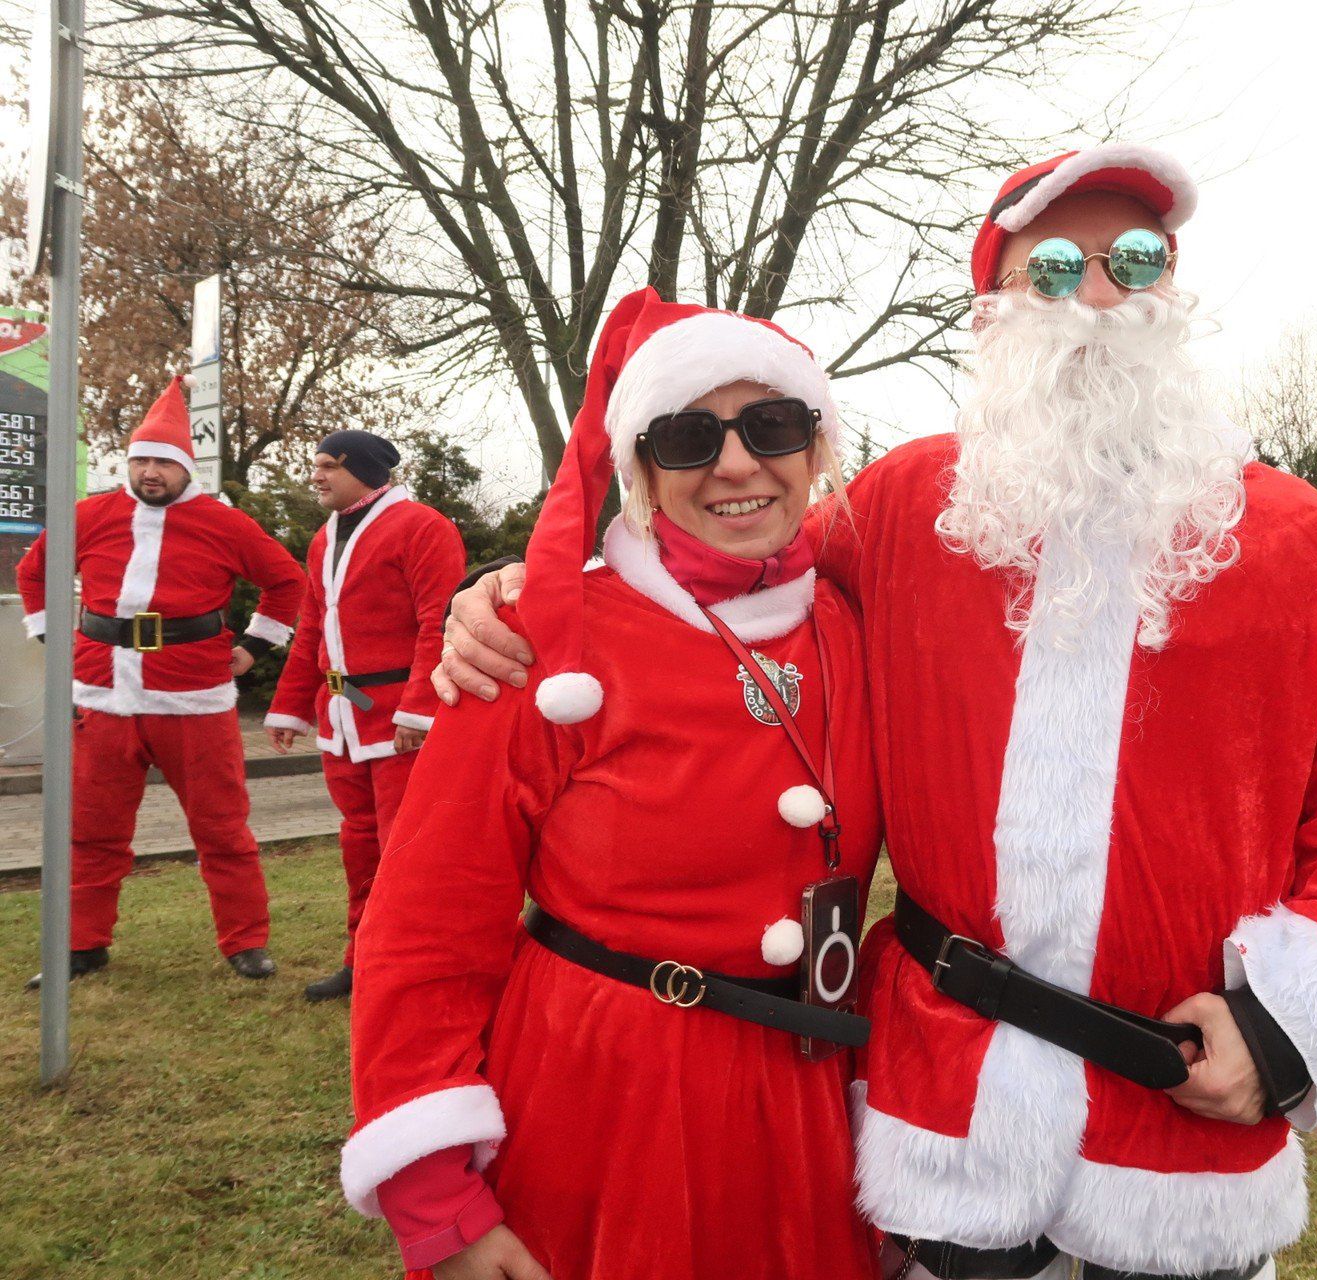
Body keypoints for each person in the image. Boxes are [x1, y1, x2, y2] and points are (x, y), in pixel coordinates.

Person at [442, 145, 1317, 1279]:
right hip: (945, 1115)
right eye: (1055, 267)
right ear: (994, 307)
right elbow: (714, 563)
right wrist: (520, 592)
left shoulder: (1311, 549)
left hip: (1182, 1128)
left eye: (1137, 260)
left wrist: (1282, 1029)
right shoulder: (905, 507)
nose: (1101, 296)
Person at [340, 289, 883, 1280]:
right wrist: (436, 1199)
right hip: (607, 1100)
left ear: (818, 446)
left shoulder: (859, 622)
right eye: (686, 436)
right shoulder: (542, 644)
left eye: (771, 424)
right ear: (637, 466)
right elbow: (425, 922)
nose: (734, 463)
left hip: (809, 1095)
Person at [17, 375, 304, 987]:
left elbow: (288, 582)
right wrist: (54, 640)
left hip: (193, 697)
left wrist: (255, 646)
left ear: (183, 468)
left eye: (162, 463)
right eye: (140, 460)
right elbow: (33, 572)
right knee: (91, 829)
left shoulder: (224, 524)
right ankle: (82, 944)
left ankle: (245, 942)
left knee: (221, 827)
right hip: (102, 694)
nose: (150, 472)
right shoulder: (89, 515)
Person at [264, 431, 465, 1002]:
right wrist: (291, 706)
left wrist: (418, 712)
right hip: (343, 713)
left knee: (406, 847)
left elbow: (440, 622)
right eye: (316, 464)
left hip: (396, 715)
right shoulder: (322, 540)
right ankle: (363, 959)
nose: (316, 475)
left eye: (328, 466)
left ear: (366, 470)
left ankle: (412, 967)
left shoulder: (424, 528)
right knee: (359, 843)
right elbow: (312, 629)